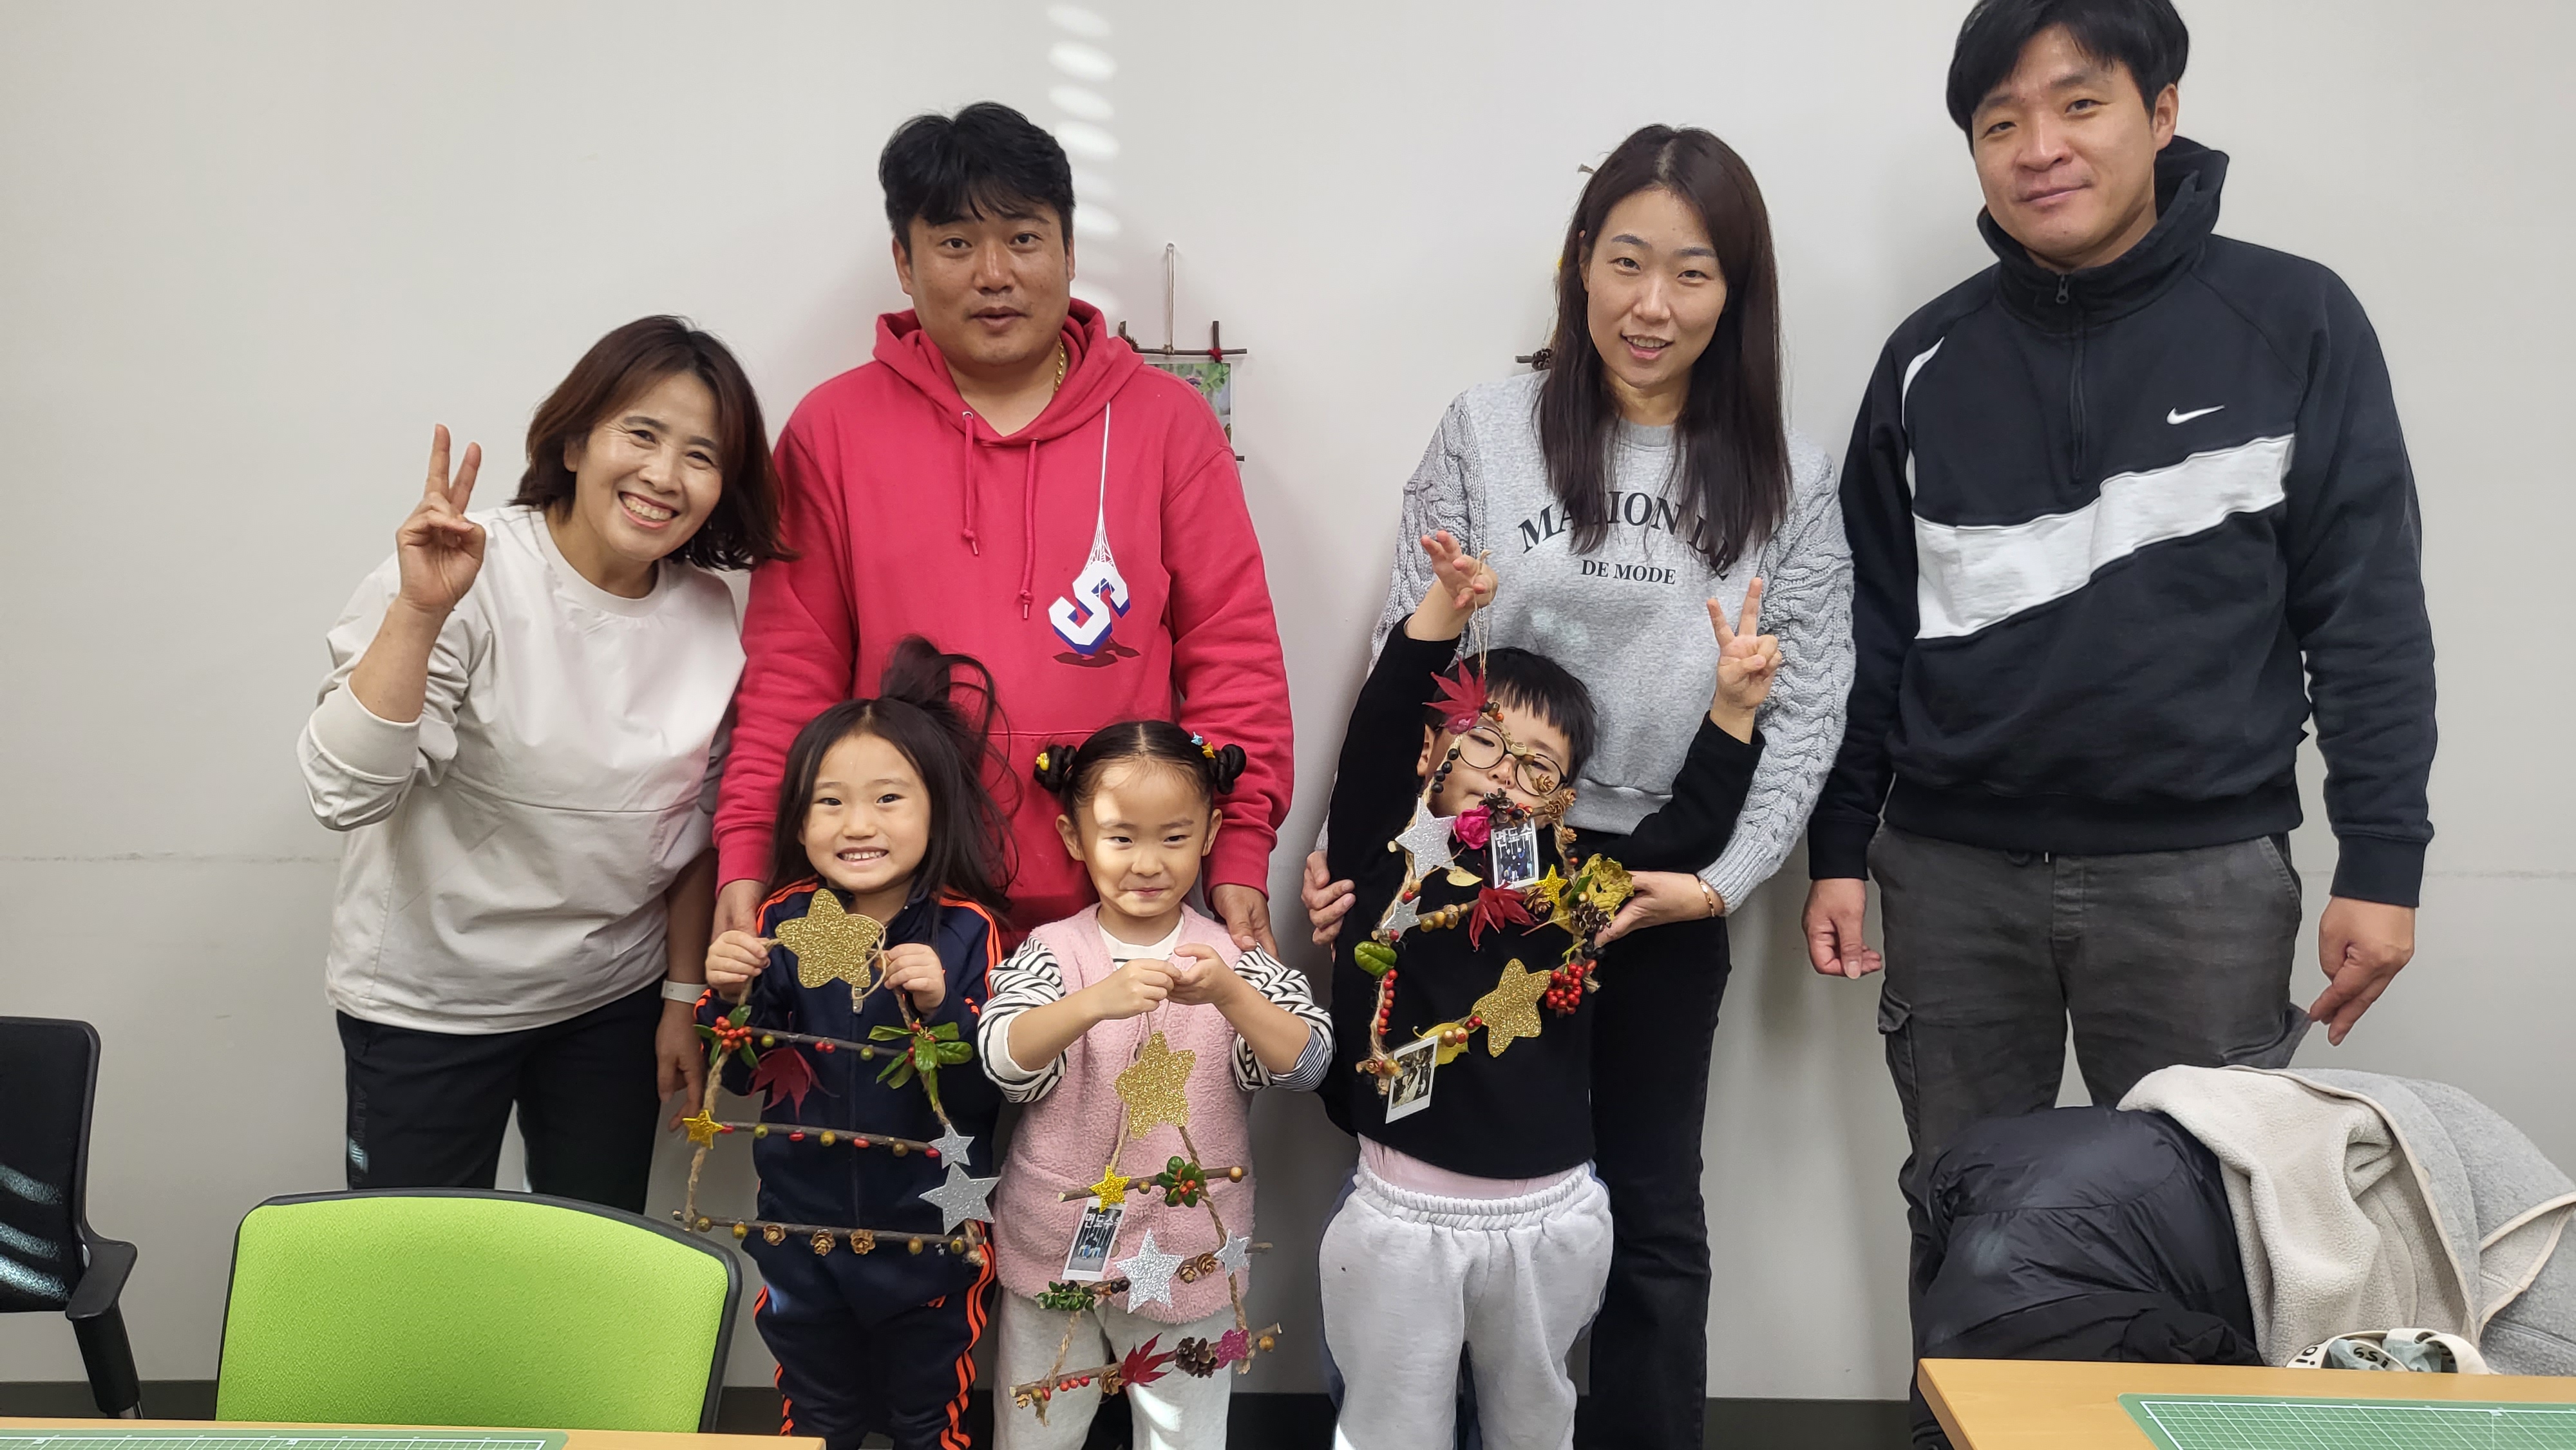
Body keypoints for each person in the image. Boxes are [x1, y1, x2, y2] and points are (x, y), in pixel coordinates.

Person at [1801, 0, 2435, 1266]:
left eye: (2078, 104)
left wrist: (2382, 858)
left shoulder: (2295, 319)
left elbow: (2364, 607)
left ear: (2161, 112)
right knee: (1969, 1228)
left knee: (2215, 1236)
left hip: (2199, 877)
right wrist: (1837, 846)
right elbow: (1865, 627)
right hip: (1951, 875)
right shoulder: (1926, 358)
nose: (2039, 147)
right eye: (2000, 123)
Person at [1302, 124, 1853, 1448]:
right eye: (1625, 262)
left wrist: (1719, 884)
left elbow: (1809, 695)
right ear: (1580, 264)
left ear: (1735, 293)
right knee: (1424, 1174)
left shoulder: (1787, 470)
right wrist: (1362, 849)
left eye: (1692, 272)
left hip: (1660, 869)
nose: (1651, 305)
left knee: (1651, 1206)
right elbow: (1410, 639)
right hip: (1471, 868)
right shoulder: (1488, 429)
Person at [713, 102, 1292, 957]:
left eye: (1023, 239)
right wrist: (747, 854)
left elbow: (1233, 655)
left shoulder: (1168, 423)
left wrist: (1239, 849)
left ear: (1068, 252)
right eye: (955, 243)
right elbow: (790, 675)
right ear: (904, 263)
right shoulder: (830, 431)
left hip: (1120, 916)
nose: (994, 274)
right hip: (894, 915)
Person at [299, 316, 786, 1210]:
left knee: (591, 1249)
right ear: (573, 441)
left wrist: (682, 996)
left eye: (701, 456)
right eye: (641, 434)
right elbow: (345, 790)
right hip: (431, 1002)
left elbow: (692, 832)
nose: (664, 476)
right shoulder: (467, 569)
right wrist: (419, 612)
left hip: (610, 1002)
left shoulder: (709, 613)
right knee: (414, 1256)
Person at [1317, 534, 1777, 1450]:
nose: (1506, 772)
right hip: (1399, 1212)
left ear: (1562, 798)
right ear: (1432, 750)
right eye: (1485, 741)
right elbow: (1376, 730)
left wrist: (1732, 710)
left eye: (1539, 767)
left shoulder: (1572, 891)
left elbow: (1685, 831)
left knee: (1534, 1422)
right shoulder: (1380, 856)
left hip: (1549, 1214)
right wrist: (1443, 611)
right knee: (1390, 1425)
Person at [976, 722, 1331, 1450]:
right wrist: (1090, 1004)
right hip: (1055, 1248)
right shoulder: (1052, 950)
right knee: (1036, 1431)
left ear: (1210, 834)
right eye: (1120, 838)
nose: (1147, 863)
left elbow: (1309, 1062)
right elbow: (1002, 1058)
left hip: (1188, 1253)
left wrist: (1232, 995)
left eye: (1173, 837)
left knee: (1185, 1435)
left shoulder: (1233, 958)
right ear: (1075, 838)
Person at [698, 639, 1010, 1450]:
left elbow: (989, 1090)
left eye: (888, 798)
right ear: (798, 820)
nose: (858, 823)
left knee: (928, 1418)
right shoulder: (781, 920)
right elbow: (737, 1075)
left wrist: (942, 1009)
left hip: (933, 1237)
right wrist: (728, 996)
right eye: (829, 801)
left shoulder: (967, 931)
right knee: (817, 1416)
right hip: (802, 1231)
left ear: (937, 807)